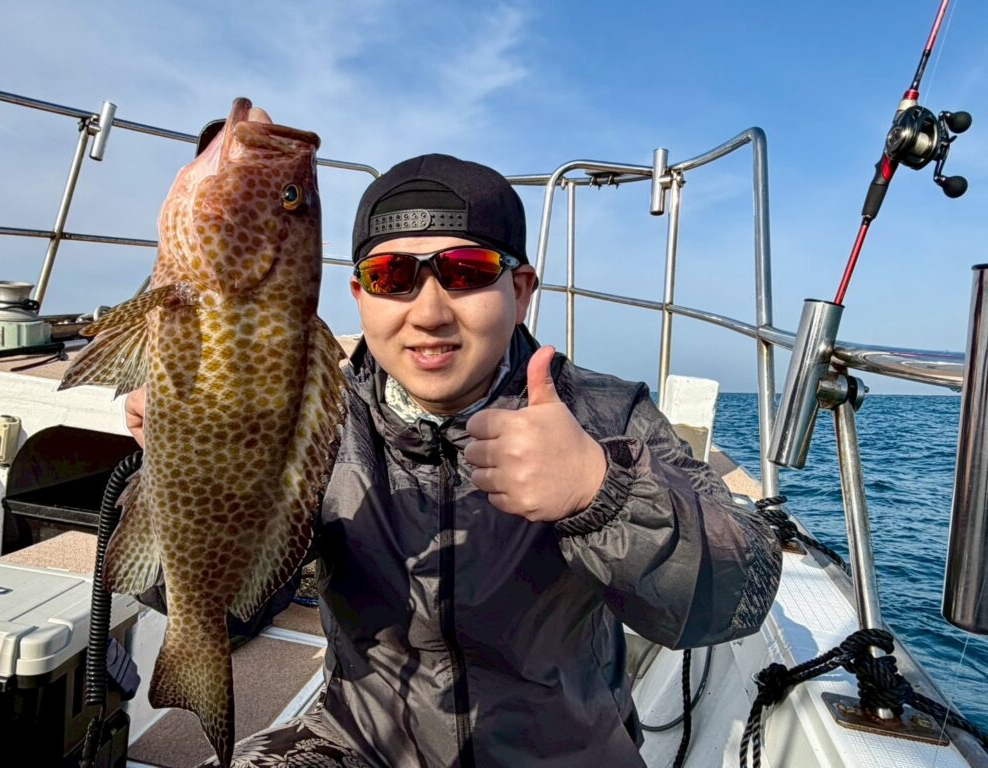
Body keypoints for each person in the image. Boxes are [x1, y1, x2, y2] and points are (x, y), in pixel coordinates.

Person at [125, 152, 782, 767]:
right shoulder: (318, 418)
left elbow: (735, 600)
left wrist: (599, 490)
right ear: (360, 297)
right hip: (360, 743)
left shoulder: (605, 415)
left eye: (466, 272)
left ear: (520, 291)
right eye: (391, 277)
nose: (429, 312)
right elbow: (228, 609)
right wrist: (185, 470)